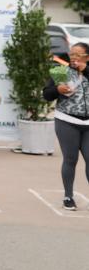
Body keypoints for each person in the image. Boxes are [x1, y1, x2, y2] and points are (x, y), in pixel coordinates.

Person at [43, 43, 89, 210]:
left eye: (78, 55)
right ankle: (68, 196)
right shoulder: (61, 70)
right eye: (72, 54)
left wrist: (85, 70)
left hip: (88, 124)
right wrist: (57, 89)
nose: (74, 58)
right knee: (71, 159)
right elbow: (46, 94)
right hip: (67, 121)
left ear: (87, 57)